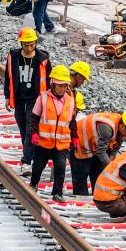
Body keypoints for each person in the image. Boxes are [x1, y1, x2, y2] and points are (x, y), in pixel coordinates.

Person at [3, 27, 52, 176]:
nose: (29, 48)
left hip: (35, 99)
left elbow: (49, 80)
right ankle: (34, 154)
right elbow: (8, 76)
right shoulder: (14, 56)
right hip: (18, 98)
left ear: (36, 42)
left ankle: (26, 162)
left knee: (31, 130)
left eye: (32, 44)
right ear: (21, 44)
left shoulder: (43, 59)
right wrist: (7, 96)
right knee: (24, 130)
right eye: (26, 44)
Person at [28, 65, 77, 201]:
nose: (62, 88)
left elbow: (72, 122)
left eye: (64, 85)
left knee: (60, 168)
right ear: (53, 84)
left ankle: (57, 193)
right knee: (38, 166)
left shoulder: (71, 101)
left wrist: (75, 137)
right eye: (59, 85)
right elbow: (34, 117)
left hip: (61, 144)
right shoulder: (43, 98)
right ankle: (33, 184)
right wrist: (34, 133)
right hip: (44, 142)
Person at [71, 109, 126, 195]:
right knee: (81, 175)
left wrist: (112, 158)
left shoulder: (120, 124)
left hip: (93, 147)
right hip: (80, 145)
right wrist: (111, 167)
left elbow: (118, 143)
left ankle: (97, 197)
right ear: (123, 127)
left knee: (98, 174)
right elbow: (100, 151)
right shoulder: (107, 128)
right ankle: (81, 200)